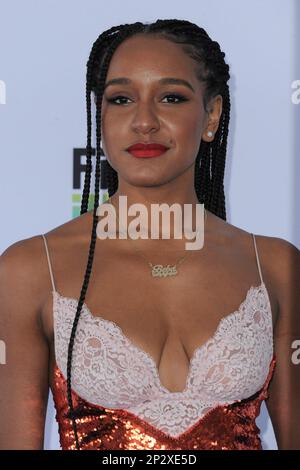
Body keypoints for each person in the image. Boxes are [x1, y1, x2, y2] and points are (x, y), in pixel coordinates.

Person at [0, 19, 299, 451]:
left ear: (211, 115)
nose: (144, 122)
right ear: (100, 115)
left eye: (171, 97)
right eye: (121, 99)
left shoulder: (275, 266)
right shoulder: (30, 269)